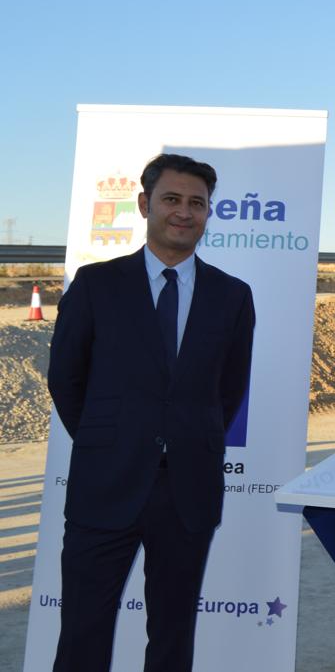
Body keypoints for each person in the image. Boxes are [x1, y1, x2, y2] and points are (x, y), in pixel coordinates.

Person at [48, 153, 256, 671]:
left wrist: (182, 436)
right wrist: (112, 439)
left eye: (196, 203)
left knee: (172, 633)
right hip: (105, 485)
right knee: (82, 631)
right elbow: (66, 380)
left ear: (209, 212)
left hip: (188, 490)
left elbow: (228, 390)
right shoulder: (96, 286)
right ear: (145, 205)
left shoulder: (233, 297)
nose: (183, 212)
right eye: (171, 199)